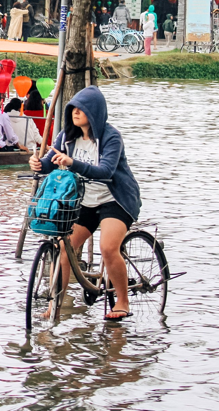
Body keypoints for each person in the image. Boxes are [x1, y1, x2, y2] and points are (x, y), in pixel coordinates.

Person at [29, 86, 141, 321]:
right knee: (63, 247)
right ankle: (55, 305)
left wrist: (72, 163)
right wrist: (38, 164)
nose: (75, 112)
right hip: (85, 202)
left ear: (95, 112)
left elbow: (105, 170)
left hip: (116, 199)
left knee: (108, 247)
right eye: (73, 108)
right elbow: (50, 162)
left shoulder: (111, 137)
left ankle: (122, 301)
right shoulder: (67, 137)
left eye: (82, 109)